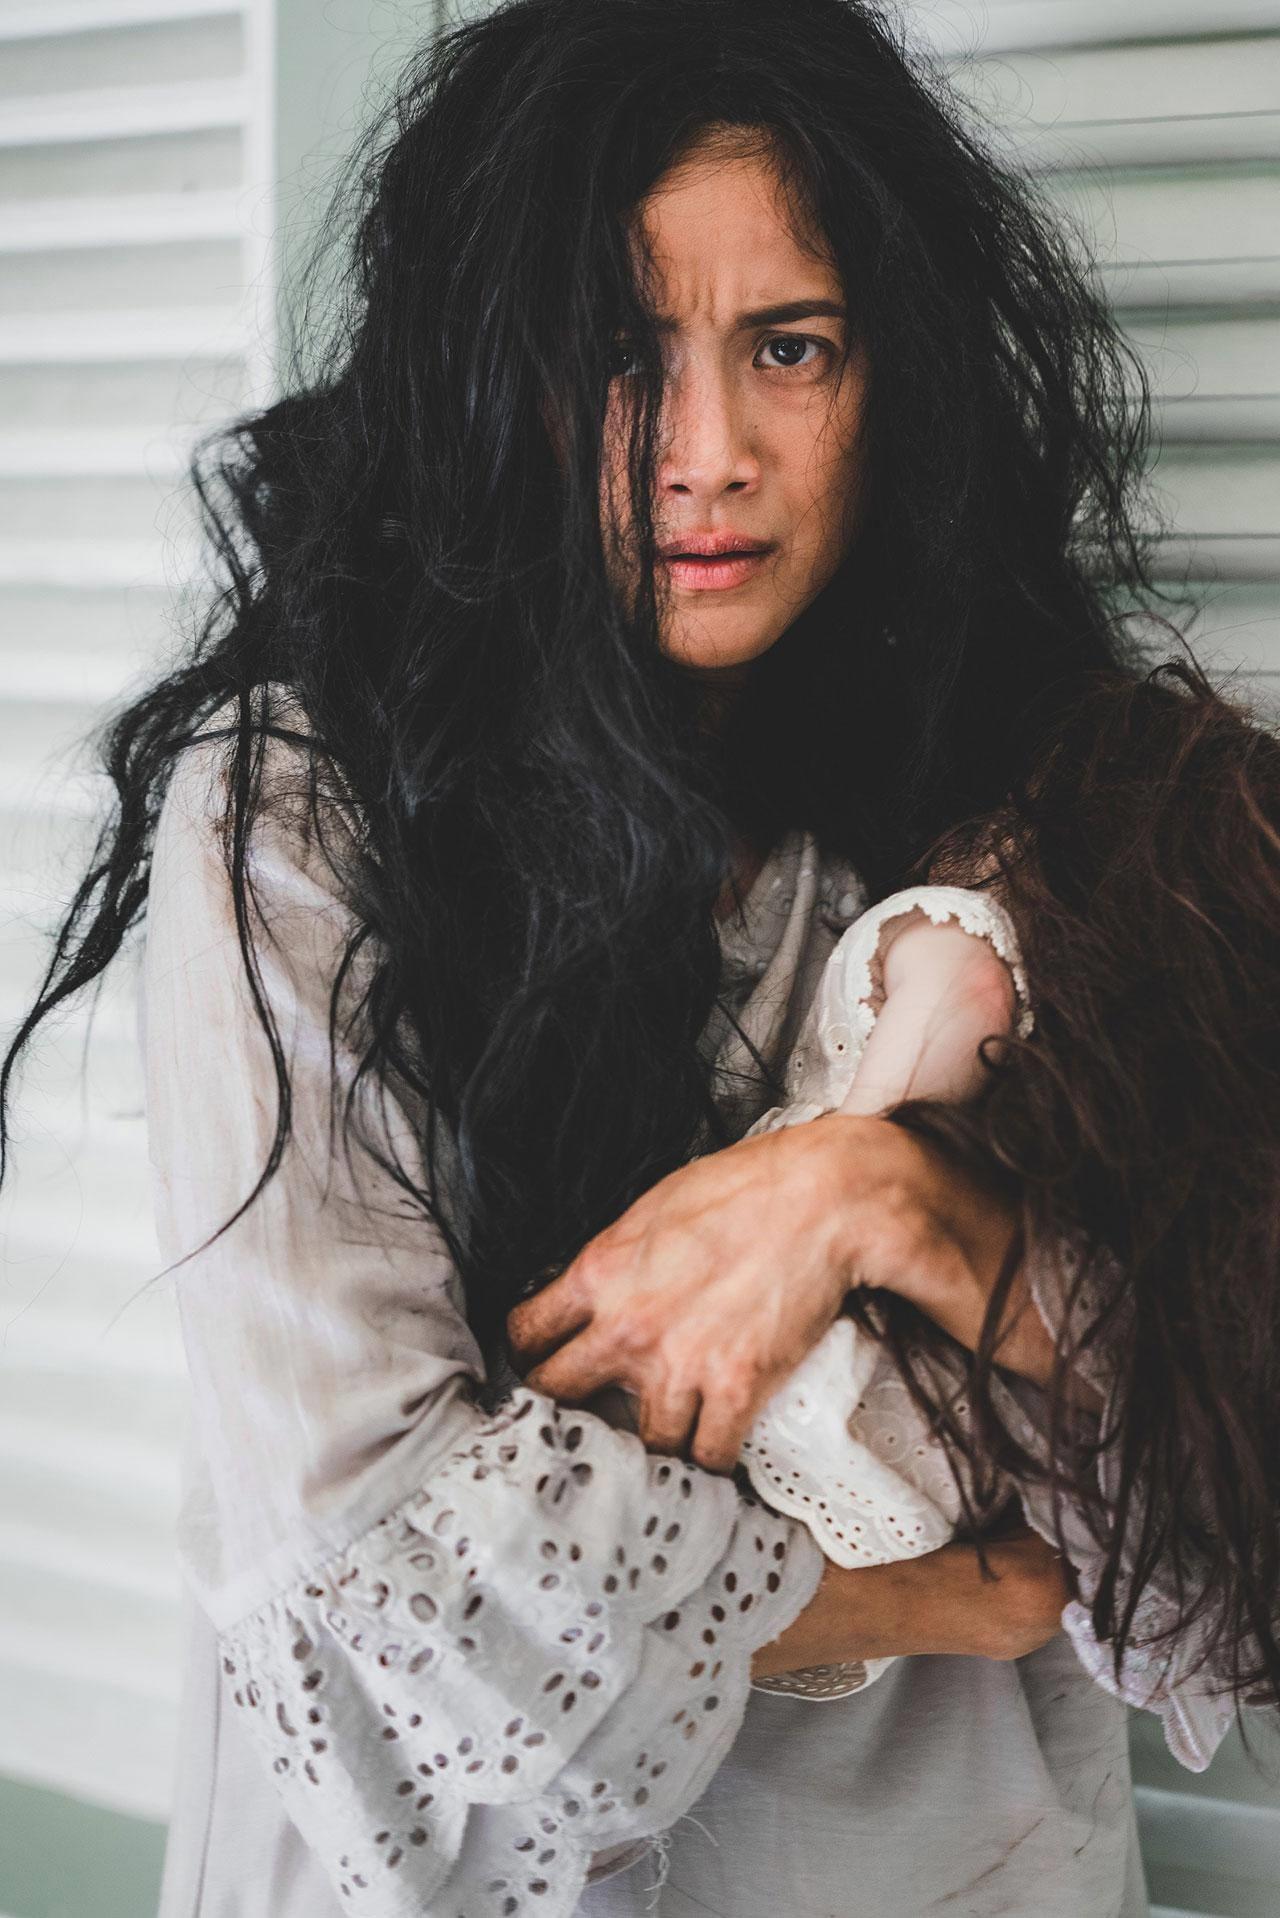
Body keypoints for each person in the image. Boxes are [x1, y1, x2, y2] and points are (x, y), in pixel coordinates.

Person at [2, 1, 1277, 1914]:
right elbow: (387, 1567)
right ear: (488, 379)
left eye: (790, 347)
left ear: (894, 371)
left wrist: (890, 1204)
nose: (709, 455)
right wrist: (928, 1595)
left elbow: (1228, 1475)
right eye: (616, 355)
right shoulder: (303, 817)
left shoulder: (1050, 813)